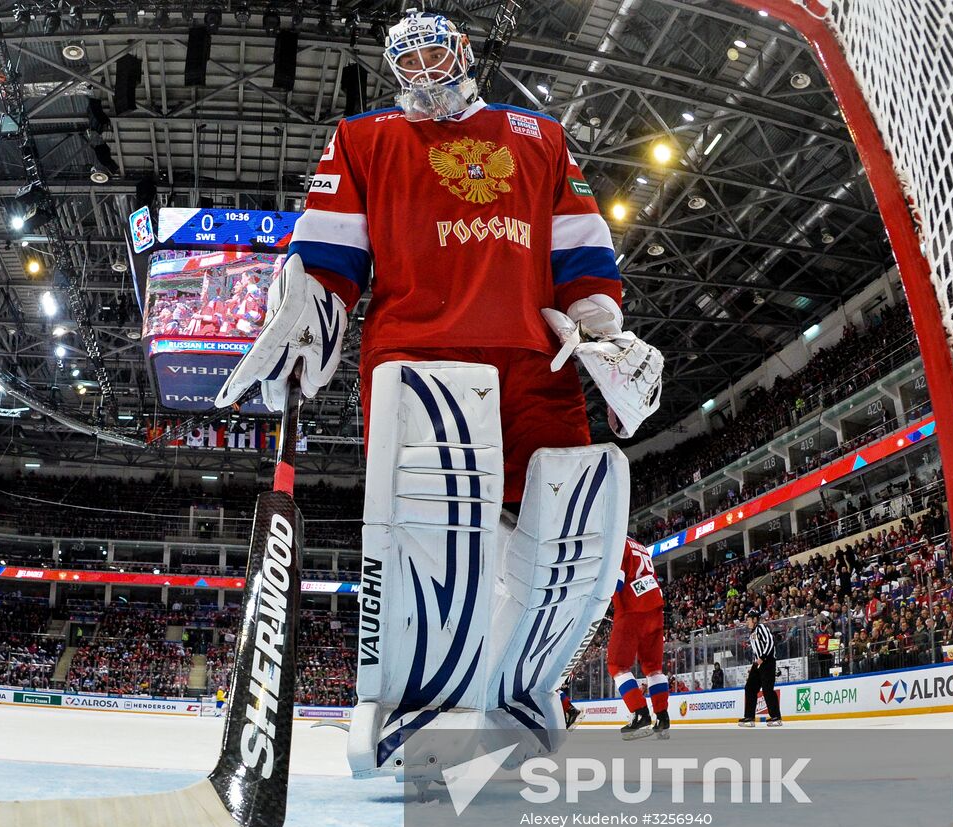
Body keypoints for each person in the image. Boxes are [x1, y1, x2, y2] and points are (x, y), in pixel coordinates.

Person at [217, 7, 663, 778]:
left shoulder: (540, 137)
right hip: (415, 351)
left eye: (435, 52)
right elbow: (330, 251)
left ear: (463, 52)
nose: (423, 71)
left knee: (566, 523)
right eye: (408, 59)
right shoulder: (364, 138)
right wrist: (311, 313)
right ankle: (418, 698)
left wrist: (599, 325)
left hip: (535, 353)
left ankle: (519, 688)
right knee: (431, 526)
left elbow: (581, 247)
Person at [608, 536, 671, 739]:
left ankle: (640, 713)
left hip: (632, 609)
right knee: (654, 668)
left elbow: (615, 582)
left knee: (617, 666)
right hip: (655, 606)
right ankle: (662, 717)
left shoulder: (616, 541)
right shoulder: (641, 546)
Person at [739, 613, 782, 726]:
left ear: (754, 619)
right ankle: (749, 718)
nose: (747, 622)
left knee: (767, 689)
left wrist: (762, 658)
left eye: (748, 620)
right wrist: (754, 664)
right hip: (758, 663)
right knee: (750, 688)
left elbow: (770, 642)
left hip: (767, 661)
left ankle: (776, 717)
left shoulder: (761, 628)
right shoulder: (752, 633)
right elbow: (756, 650)